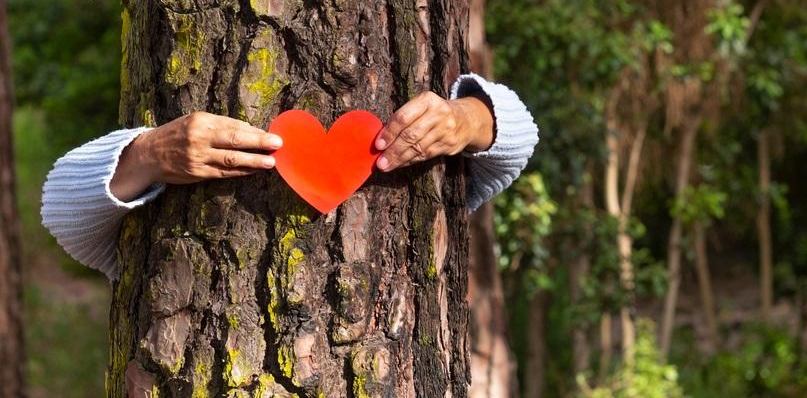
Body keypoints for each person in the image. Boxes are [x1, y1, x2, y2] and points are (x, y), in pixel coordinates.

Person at [40, 73, 538, 280]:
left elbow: (515, 145)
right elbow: (64, 213)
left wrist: (469, 117)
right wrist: (144, 154)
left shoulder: (442, 174)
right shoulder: (141, 211)